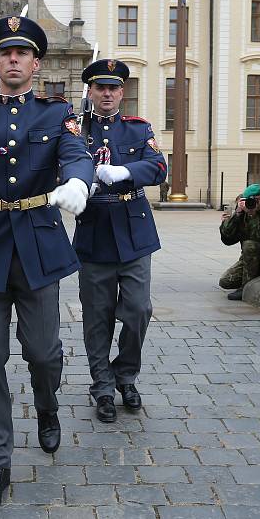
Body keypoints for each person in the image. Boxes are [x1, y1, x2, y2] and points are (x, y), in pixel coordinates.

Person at [0, 16, 93, 514]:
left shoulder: (55, 113)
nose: (12, 60)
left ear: (35, 63)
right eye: (4, 53)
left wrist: (79, 183)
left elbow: (75, 155)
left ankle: (47, 406)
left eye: (22, 53)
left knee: (44, 352)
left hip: (36, 243)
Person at [72, 59, 167, 423]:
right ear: (91, 93)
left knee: (139, 310)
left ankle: (125, 374)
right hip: (94, 230)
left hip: (133, 231)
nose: (107, 94)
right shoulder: (75, 131)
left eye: (113, 88)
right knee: (97, 318)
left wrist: (125, 170)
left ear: (122, 93)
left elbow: (158, 169)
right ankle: (102, 386)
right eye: (100, 88)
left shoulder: (138, 129)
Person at [219, 183, 260, 300]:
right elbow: (227, 239)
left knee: (249, 244)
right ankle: (258, 280)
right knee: (225, 281)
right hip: (248, 258)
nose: (251, 204)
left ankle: (246, 288)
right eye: (248, 201)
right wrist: (234, 217)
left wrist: (253, 214)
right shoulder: (242, 213)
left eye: (256, 200)